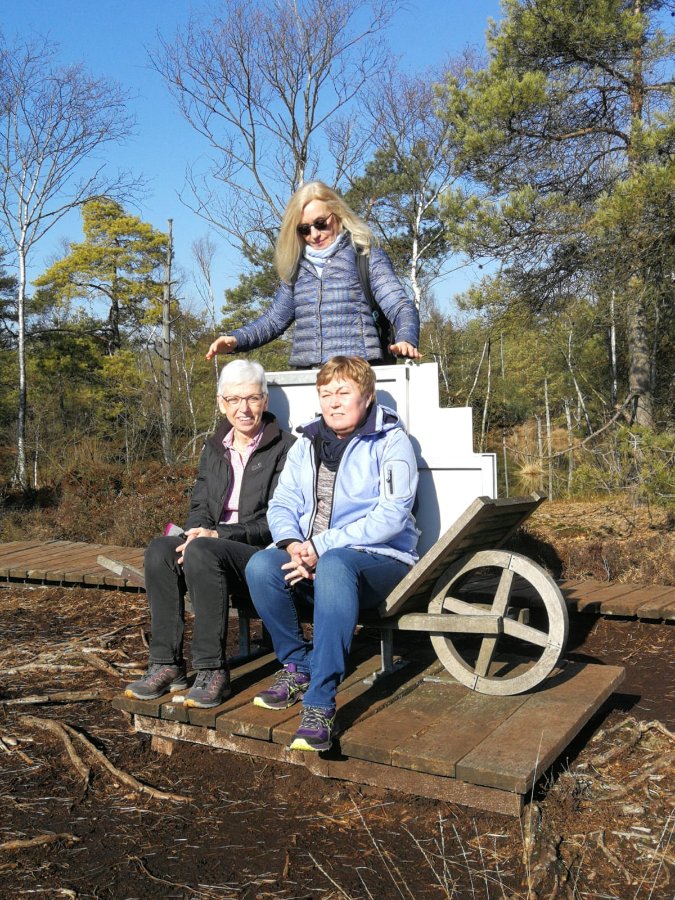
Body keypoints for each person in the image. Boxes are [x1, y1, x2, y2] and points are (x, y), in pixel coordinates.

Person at [244, 355, 419, 752]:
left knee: (337, 564)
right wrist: (293, 546)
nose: (333, 402)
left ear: (367, 396)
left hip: (380, 560)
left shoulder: (392, 441)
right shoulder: (306, 443)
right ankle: (297, 664)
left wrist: (322, 547)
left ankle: (320, 703)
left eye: (343, 392)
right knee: (261, 566)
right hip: (312, 554)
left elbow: (392, 516)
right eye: (326, 394)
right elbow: (282, 503)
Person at [125, 359, 295, 708]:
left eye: (252, 398)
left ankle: (211, 668)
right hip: (211, 544)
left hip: (258, 552)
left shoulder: (286, 448)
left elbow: (279, 520)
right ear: (221, 403)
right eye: (233, 399)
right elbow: (200, 504)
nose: (243, 408)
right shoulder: (214, 447)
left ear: (265, 400)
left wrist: (217, 536)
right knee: (160, 550)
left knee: (203, 550)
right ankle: (166, 664)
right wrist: (195, 532)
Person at [206, 181, 421, 368]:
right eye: (304, 229)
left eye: (320, 224)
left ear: (338, 215)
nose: (314, 234)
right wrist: (236, 340)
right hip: (311, 378)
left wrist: (406, 338)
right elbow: (273, 321)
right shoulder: (296, 270)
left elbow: (400, 305)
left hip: (357, 375)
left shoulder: (366, 257)